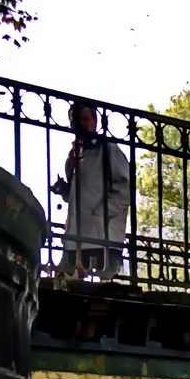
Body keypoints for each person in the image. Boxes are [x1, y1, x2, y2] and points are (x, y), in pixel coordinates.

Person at [50, 101, 131, 281]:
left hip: (102, 235)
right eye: (77, 120)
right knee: (64, 285)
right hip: (75, 237)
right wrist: (65, 191)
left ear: (95, 122)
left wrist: (101, 214)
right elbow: (82, 192)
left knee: (106, 287)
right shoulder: (73, 155)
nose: (81, 124)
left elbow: (126, 189)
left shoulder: (107, 148)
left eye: (86, 119)